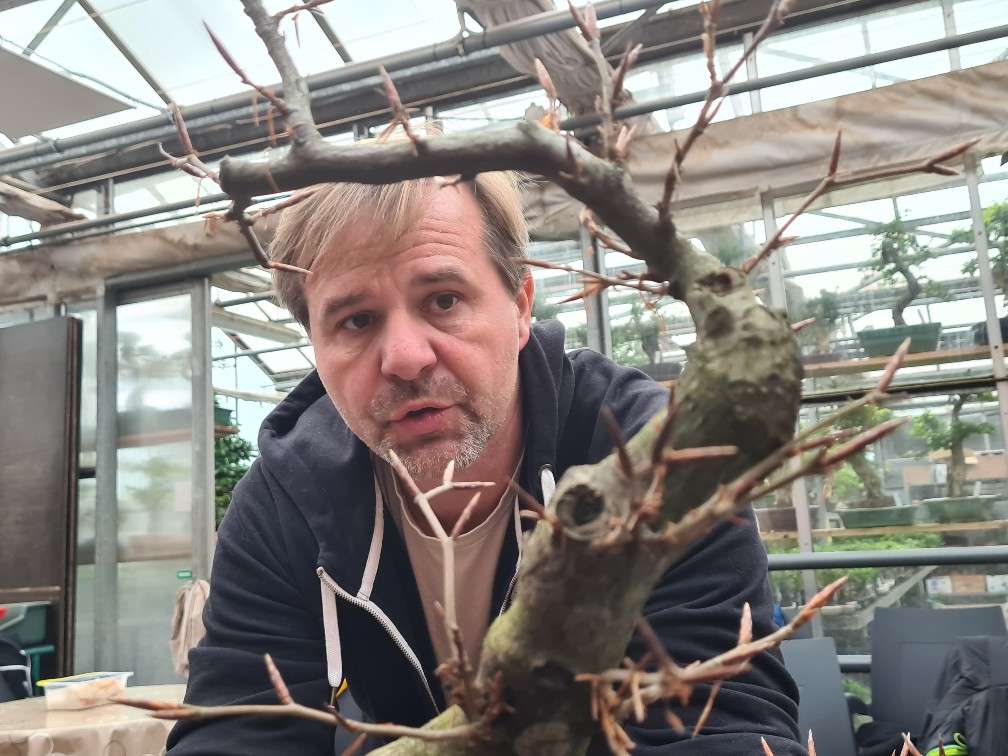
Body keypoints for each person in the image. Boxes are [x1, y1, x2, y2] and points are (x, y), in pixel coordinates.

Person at [167, 157, 803, 755]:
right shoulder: (285, 501)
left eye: (443, 300)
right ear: (314, 344)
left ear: (521, 306)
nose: (405, 358)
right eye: (356, 321)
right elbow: (234, 734)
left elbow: (717, 728)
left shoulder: (647, 452)